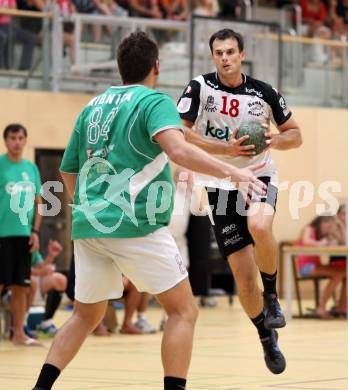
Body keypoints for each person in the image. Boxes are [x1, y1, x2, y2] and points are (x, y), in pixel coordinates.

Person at [31, 31, 266, 390]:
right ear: (156, 67)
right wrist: (233, 171)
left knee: (84, 315)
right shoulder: (154, 102)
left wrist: (88, 207)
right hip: (136, 223)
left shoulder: (92, 106)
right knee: (183, 311)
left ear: (120, 68)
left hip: (89, 224)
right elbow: (179, 151)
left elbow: (67, 169)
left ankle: (40, 388)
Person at [177, 28, 302, 374]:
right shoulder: (199, 88)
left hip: (260, 174)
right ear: (212, 56)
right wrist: (224, 150)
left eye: (231, 51)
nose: (225, 58)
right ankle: (265, 338)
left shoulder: (264, 93)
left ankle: (273, 297)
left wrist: (272, 139)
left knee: (260, 224)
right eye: (219, 53)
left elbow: (296, 135)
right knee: (244, 279)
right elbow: (179, 130)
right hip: (220, 183)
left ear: (241, 54)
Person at [0, 123, 42, 346]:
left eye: (20, 138)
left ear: (25, 141)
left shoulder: (31, 168)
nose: (17, 142)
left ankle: (18, 334)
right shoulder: (0, 165)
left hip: (24, 235)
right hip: (2, 235)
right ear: (5, 141)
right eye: (12, 138)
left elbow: (40, 204)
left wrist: (35, 231)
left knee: (20, 287)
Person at [296, 215, 346, 318]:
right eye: (327, 225)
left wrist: (337, 231)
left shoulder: (321, 235)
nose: (328, 228)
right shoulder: (309, 228)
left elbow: (337, 242)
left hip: (315, 266)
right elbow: (306, 241)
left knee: (345, 272)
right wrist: (321, 243)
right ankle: (321, 307)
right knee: (341, 272)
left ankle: (342, 306)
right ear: (321, 222)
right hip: (306, 267)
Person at [28, 240, 67, 337]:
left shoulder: (31, 238)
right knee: (31, 281)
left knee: (60, 280)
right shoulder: (13, 238)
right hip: (14, 283)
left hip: (31, 281)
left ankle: (46, 323)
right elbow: (13, 268)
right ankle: (21, 326)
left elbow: (41, 266)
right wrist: (39, 272)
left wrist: (51, 255)